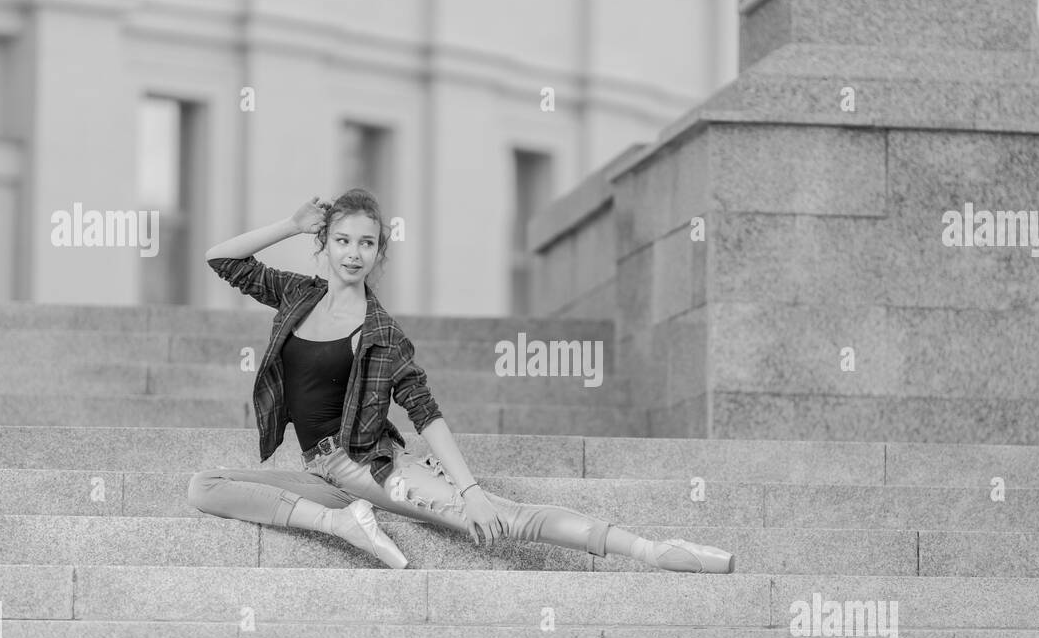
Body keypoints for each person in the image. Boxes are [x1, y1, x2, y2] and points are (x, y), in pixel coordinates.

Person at [186, 188, 735, 574]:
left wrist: (469, 493)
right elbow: (220, 258)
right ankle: (342, 526)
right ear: (324, 243)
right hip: (323, 474)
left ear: (380, 251)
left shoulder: (380, 332)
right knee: (205, 486)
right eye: (343, 240)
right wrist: (290, 224)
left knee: (507, 518)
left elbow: (427, 413)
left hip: (372, 471)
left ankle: (653, 550)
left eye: (368, 244)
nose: (354, 253)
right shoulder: (297, 295)